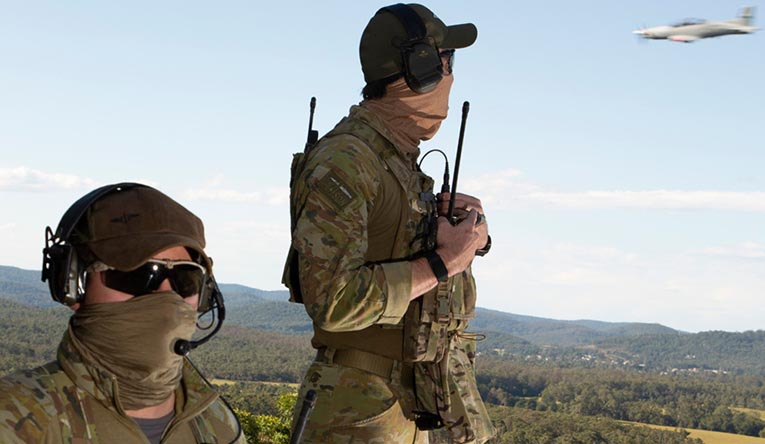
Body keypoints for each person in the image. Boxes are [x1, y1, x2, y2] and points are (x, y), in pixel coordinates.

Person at [283, 4, 494, 443]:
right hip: (355, 411)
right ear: (419, 69)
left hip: (404, 404)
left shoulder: (394, 159)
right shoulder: (347, 161)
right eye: (446, 61)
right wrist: (443, 262)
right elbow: (334, 303)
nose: (452, 76)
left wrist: (471, 239)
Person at [0, 183, 245, 444]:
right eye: (137, 275)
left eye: (186, 279)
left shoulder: (217, 423)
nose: (167, 297)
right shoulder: (13, 418)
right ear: (72, 284)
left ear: (205, 295)